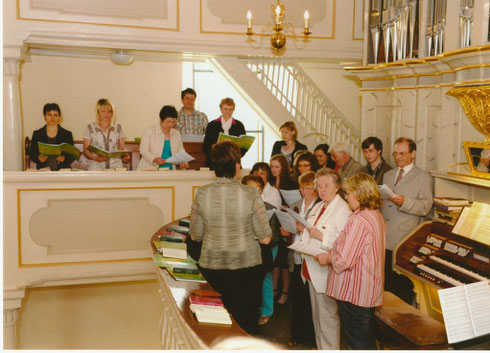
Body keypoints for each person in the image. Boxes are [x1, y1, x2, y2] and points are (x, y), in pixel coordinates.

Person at [189, 141, 271, 334]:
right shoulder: (251, 193)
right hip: (247, 267)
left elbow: (195, 234)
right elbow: (265, 238)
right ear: (236, 166)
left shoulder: (203, 193)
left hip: (213, 267)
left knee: (215, 324)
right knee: (246, 322)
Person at [316, 173, 386, 350]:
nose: (346, 196)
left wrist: (328, 257)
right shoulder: (374, 214)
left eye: (348, 193)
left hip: (356, 291)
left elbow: (344, 261)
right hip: (367, 289)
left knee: (357, 342)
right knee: (364, 339)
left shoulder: (359, 220)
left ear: (360, 193)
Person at [300, 168, 351, 350]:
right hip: (311, 267)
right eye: (319, 186)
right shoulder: (320, 205)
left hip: (326, 268)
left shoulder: (342, 208)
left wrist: (322, 237)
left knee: (328, 316)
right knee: (317, 315)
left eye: (326, 185)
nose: (322, 190)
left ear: (337, 187)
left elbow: (345, 242)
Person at [381, 137, 432, 305]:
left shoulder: (423, 177)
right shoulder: (388, 175)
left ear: (413, 154)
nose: (398, 157)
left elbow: (425, 207)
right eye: (395, 153)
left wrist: (405, 202)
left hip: (404, 241)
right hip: (384, 237)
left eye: (402, 153)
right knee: (384, 286)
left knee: (400, 289)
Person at [285, 171, 320, 347]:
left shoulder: (321, 206)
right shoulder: (296, 204)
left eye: (308, 187)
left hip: (312, 257)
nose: (304, 191)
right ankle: (296, 334)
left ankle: (312, 338)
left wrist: (302, 229)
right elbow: (291, 226)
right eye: (301, 187)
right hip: (297, 256)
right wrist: (288, 229)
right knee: (297, 298)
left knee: (311, 301)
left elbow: (319, 232)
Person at [242, 175, 279, 326]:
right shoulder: (237, 207)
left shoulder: (269, 208)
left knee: (265, 279)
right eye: (250, 189)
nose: (254, 192)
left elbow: (275, 236)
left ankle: (266, 311)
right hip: (243, 251)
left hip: (263, 249)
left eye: (257, 189)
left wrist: (266, 237)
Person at [270, 154, 298, 305]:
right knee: (275, 261)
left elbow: (297, 205)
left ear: (283, 168)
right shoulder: (269, 183)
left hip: (286, 222)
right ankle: (274, 289)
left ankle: (285, 291)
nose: (274, 170)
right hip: (274, 222)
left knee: (284, 262)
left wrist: (288, 208)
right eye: (272, 167)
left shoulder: (290, 183)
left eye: (277, 167)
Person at [137, 105, 189, 170]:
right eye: (168, 121)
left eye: (173, 122)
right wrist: (154, 159)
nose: (171, 124)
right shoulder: (150, 131)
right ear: (161, 120)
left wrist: (183, 160)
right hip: (150, 169)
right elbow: (143, 150)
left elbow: (181, 151)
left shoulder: (176, 134)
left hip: (169, 170)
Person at [83, 98, 129, 170]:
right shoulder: (89, 128)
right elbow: (86, 150)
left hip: (115, 166)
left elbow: (122, 148)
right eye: (103, 111)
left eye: (109, 111)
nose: (106, 114)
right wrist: (95, 158)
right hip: (96, 167)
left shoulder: (119, 127)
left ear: (112, 113)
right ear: (98, 112)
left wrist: (125, 155)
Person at [29, 103, 75, 170]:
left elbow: (72, 155)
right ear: (44, 117)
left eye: (55, 115)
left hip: (62, 171)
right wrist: (38, 158)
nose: (52, 118)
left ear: (59, 117)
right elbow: (32, 154)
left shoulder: (67, 134)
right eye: (49, 115)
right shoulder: (37, 134)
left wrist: (64, 158)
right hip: (43, 171)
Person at [202, 98, 247, 167]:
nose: (228, 111)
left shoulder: (239, 125)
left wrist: (236, 153)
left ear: (233, 110)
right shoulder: (212, 125)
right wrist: (214, 147)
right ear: (221, 109)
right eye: (225, 109)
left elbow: (243, 148)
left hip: (233, 162)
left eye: (230, 109)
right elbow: (205, 147)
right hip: (215, 162)